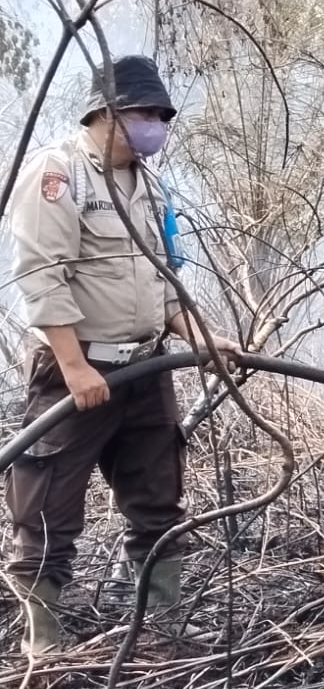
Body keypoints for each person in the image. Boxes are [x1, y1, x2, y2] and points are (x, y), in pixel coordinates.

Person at [5, 54, 242, 656]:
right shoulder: (59, 175)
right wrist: (75, 366)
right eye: (143, 114)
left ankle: (163, 626)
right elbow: (43, 276)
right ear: (106, 112)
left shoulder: (150, 186)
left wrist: (199, 336)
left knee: (157, 498)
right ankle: (43, 642)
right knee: (47, 503)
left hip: (146, 368)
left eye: (161, 116)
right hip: (77, 370)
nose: (154, 126)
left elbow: (165, 281)